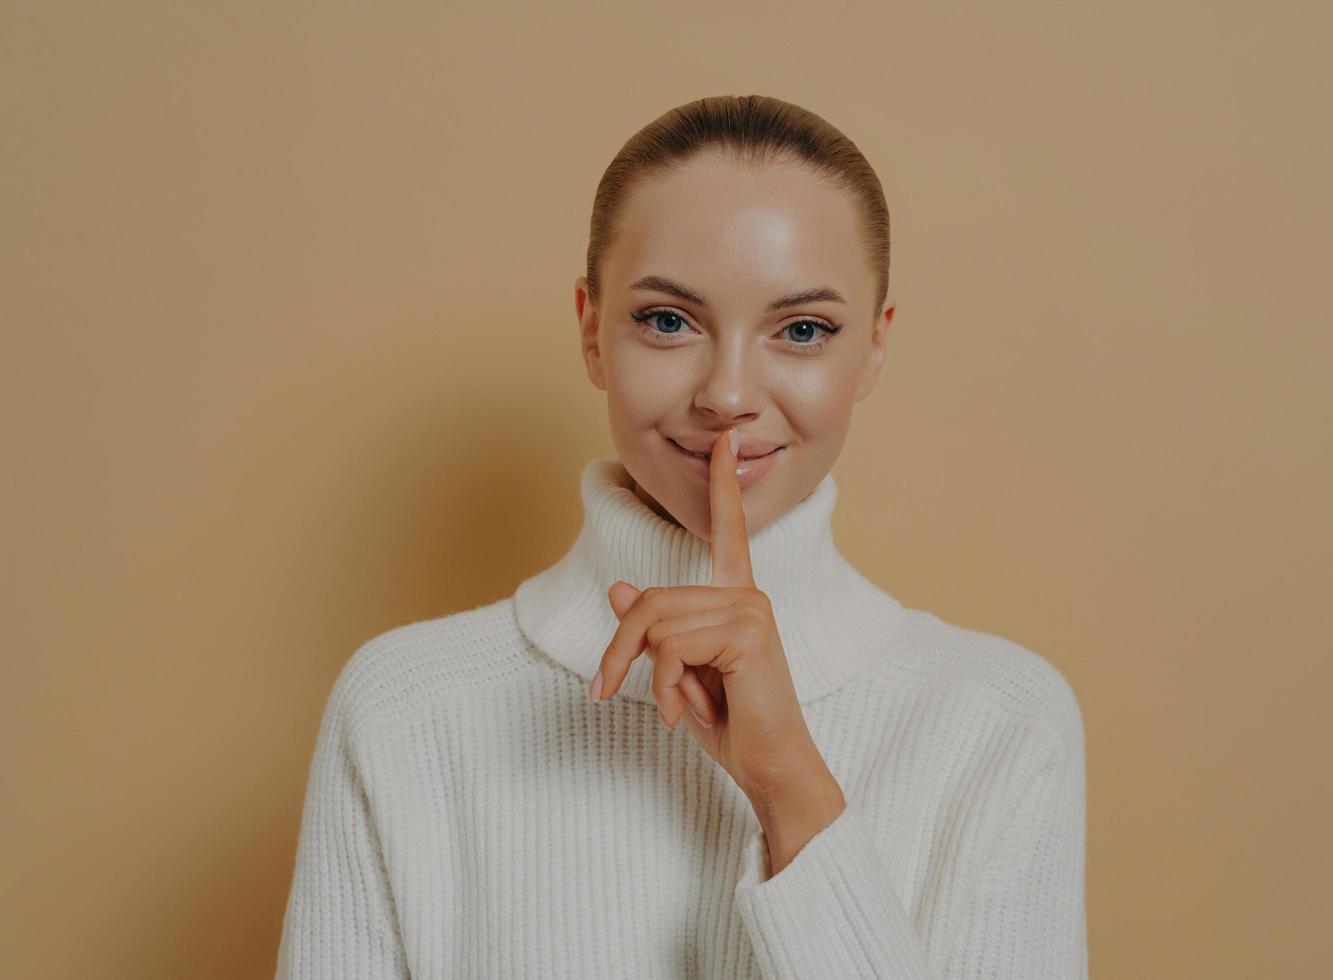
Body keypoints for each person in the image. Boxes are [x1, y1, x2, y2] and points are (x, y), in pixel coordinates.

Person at [274, 94, 1087, 979]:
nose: (728, 394)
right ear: (591, 329)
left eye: (803, 330)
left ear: (876, 349)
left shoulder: (999, 723)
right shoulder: (402, 712)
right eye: (668, 320)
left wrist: (792, 792)